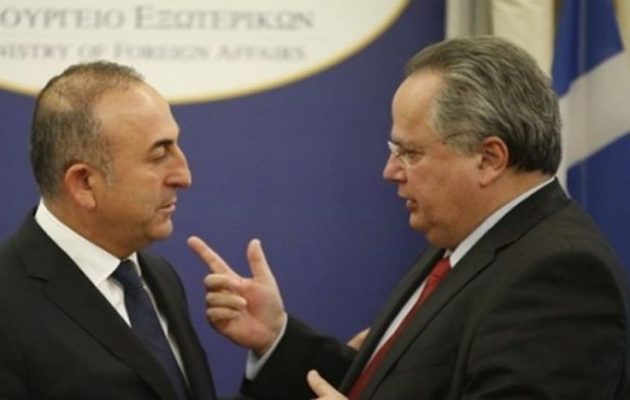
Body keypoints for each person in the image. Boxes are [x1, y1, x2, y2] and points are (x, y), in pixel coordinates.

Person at [188, 36, 630, 399]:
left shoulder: (560, 276)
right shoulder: (460, 244)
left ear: (489, 159)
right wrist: (276, 338)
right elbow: (386, 384)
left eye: (409, 153)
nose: (390, 171)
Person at [0, 61, 217, 400]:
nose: (184, 176)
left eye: (176, 145)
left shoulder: (160, 278)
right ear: (84, 183)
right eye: (160, 154)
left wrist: (271, 343)